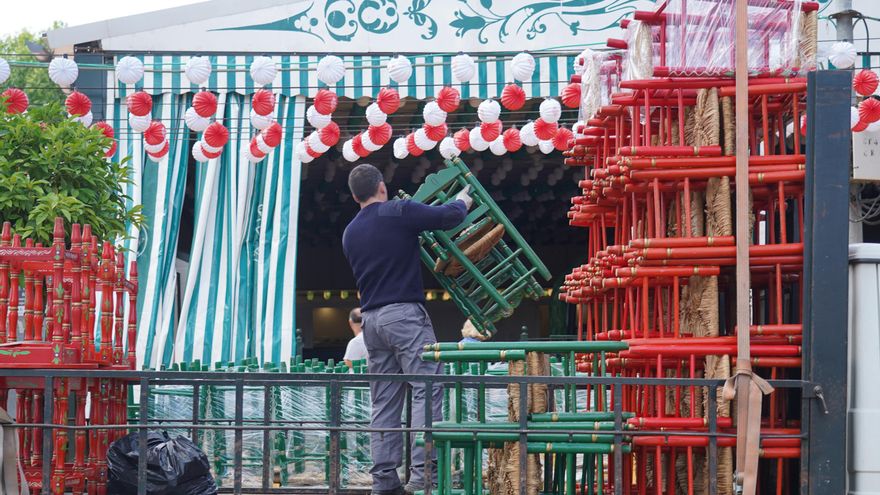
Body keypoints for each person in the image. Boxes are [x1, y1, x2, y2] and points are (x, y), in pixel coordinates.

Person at [342, 163, 472, 495]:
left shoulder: (350, 232)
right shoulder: (397, 211)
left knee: (384, 400)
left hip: (371, 321)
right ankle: (422, 474)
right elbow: (447, 217)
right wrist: (464, 201)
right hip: (403, 314)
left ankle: (384, 480)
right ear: (382, 187)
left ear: (356, 195)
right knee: (426, 387)